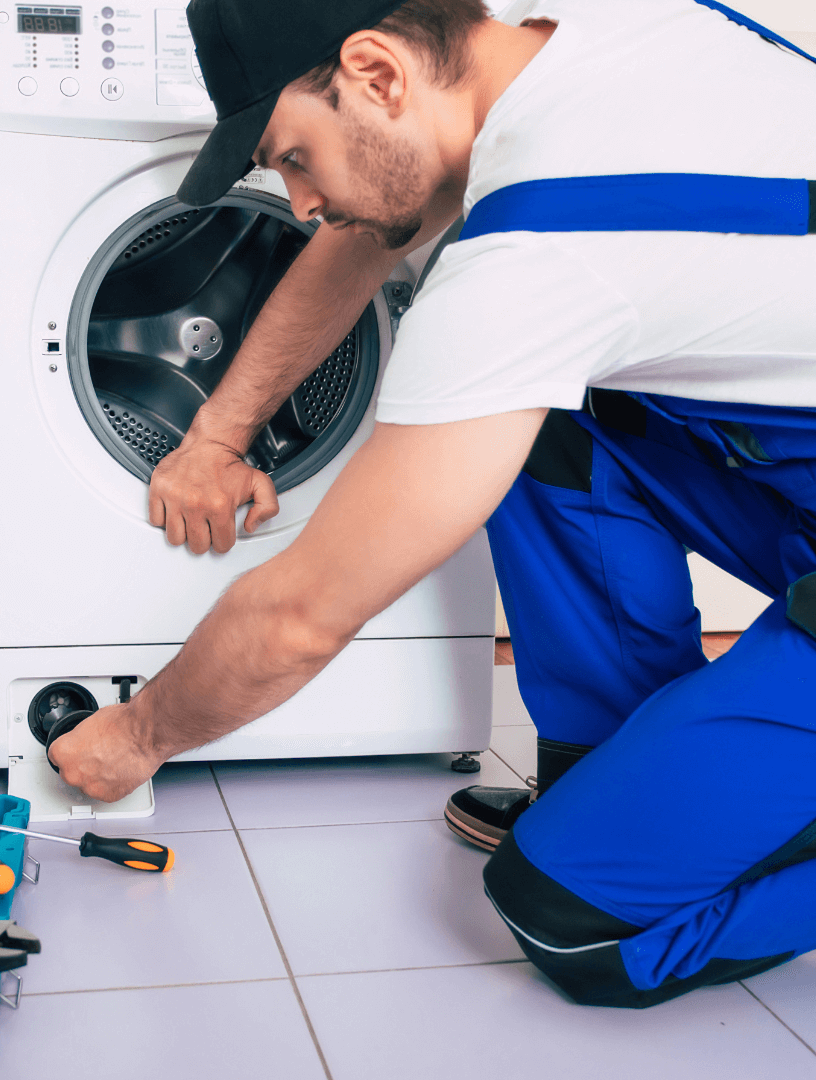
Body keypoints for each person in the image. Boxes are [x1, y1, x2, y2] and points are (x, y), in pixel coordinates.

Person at [50, 0, 816, 1007]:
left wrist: (137, 737)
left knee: (570, 916)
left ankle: (638, 834)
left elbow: (302, 617)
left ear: (375, 73)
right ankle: (611, 778)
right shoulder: (578, 45)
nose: (302, 205)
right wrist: (215, 437)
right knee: (535, 421)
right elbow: (374, 224)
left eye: (294, 159)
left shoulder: (541, 242)